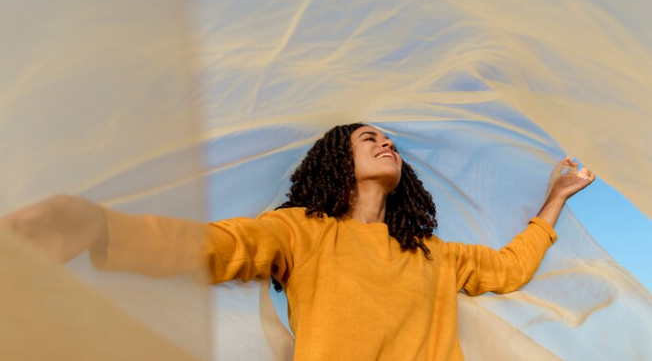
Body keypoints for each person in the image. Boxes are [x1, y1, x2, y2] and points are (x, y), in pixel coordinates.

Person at [1, 123, 595, 361]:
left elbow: (510, 267)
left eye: (389, 140)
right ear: (336, 161)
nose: (385, 143)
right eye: (368, 138)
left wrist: (557, 197)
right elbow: (216, 248)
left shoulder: (433, 253)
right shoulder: (300, 231)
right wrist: (101, 228)